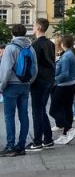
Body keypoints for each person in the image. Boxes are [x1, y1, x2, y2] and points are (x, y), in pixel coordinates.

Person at [0, 23, 38, 156]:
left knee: (9, 116)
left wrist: (1, 86)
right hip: (25, 85)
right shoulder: (30, 48)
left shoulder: (10, 48)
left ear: (13, 33)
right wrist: (29, 81)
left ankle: (10, 146)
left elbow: (6, 70)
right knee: (23, 115)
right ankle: (21, 146)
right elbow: (35, 68)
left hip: (11, 85)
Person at [29, 17, 56, 150]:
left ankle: (38, 141)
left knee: (37, 112)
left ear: (39, 27)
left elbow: (33, 66)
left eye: (34, 25)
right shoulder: (50, 43)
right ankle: (48, 139)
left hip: (38, 81)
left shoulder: (35, 45)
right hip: (49, 80)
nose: (33, 27)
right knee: (41, 110)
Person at [50, 34, 75, 145]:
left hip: (64, 86)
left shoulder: (66, 56)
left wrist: (54, 80)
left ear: (63, 44)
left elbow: (64, 74)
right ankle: (66, 133)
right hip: (73, 84)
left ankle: (69, 129)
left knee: (53, 110)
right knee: (67, 109)